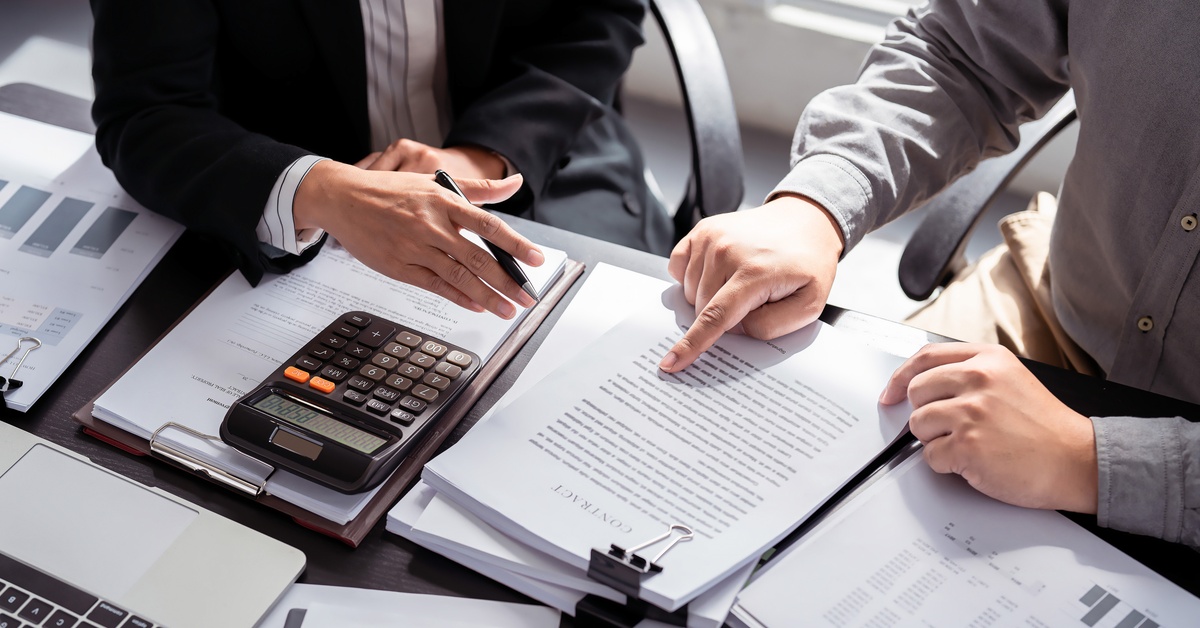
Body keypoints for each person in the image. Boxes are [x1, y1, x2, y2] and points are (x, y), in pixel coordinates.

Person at [659, 0, 1200, 547]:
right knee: (783, 485)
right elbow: (960, 54)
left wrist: (1090, 462)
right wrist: (817, 202)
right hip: (1056, 304)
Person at [89, 0, 672, 319]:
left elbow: (601, 15)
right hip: (295, 203)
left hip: (539, 151)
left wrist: (479, 154)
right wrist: (319, 189)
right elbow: (146, 113)